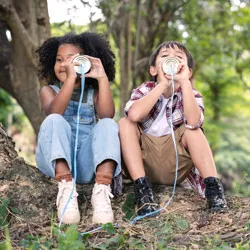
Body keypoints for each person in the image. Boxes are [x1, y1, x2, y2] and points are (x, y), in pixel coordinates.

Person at [118, 41, 227, 216]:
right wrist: (162, 85)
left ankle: (214, 189)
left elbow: (193, 122)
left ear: (187, 71)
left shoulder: (192, 94)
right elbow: (134, 115)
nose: (171, 60)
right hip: (145, 162)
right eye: (165, 56)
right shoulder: (145, 89)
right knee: (125, 123)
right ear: (153, 69)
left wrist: (185, 84)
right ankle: (142, 190)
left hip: (176, 165)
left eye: (178, 58)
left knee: (193, 130)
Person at [35, 32, 121, 225]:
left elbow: (108, 114)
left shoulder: (94, 93)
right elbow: (54, 111)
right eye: (59, 60)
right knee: (55, 120)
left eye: (72, 60)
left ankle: (101, 190)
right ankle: (66, 189)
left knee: (108, 124)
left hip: (85, 164)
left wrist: (102, 78)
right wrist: (69, 81)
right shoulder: (49, 91)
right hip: (56, 162)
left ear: (86, 62)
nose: (64, 64)